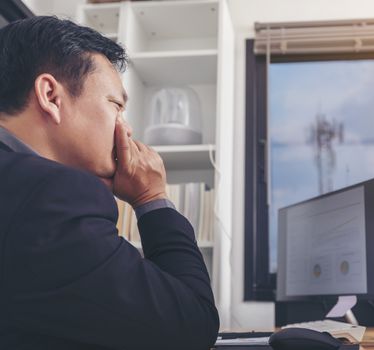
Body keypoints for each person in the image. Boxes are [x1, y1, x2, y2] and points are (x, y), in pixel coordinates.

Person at [0, 16, 219, 350]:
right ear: (51, 96)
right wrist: (152, 195)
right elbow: (191, 327)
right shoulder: (50, 197)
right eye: (116, 105)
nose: (126, 130)